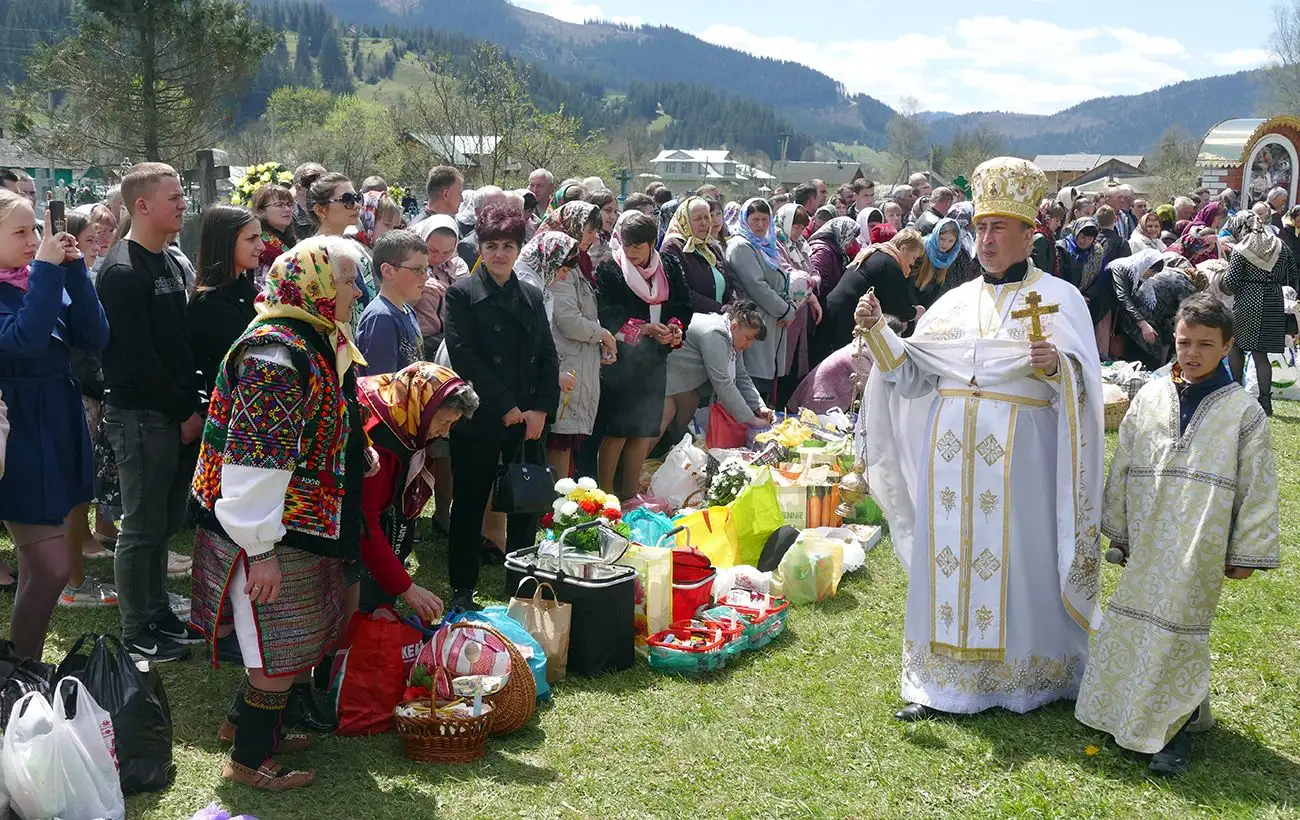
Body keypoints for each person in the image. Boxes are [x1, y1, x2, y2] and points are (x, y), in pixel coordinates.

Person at [859, 157, 1104, 721]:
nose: (986, 239)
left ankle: (1027, 677)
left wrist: (1056, 369)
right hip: (950, 460)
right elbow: (914, 373)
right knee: (950, 558)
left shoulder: (1061, 300)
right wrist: (877, 334)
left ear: (1028, 234)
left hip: (1023, 462)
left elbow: (1085, 385)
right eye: (981, 228)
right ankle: (943, 683)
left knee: (1018, 558)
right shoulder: (955, 302)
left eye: (998, 228)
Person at [190, 235, 368, 789]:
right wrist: (259, 548)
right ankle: (249, 761)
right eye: (345, 280)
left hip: (290, 519)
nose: (355, 291)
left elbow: (314, 424)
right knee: (274, 641)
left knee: (280, 636)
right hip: (266, 525)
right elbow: (253, 462)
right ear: (314, 285)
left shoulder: (308, 338)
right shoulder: (276, 354)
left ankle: (243, 727)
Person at [1076, 294, 1278, 776]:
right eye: (1184, 343)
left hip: (1199, 541)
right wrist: (1119, 530)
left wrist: (1246, 549)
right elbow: (1124, 462)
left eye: (1206, 345)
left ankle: (1174, 731)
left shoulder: (1243, 412)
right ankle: (1124, 709)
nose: (1192, 353)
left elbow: (1257, 487)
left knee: (1180, 631)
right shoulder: (1149, 395)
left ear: (1228, 345)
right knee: (1136, 623)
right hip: (1147, 532)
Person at [97, 162, 206, 662]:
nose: (183, 203)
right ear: (142, 206)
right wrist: (181, 410)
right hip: (142, 414)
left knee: (163, 523)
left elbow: (179, 343)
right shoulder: (122, 270)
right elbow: (138, 357)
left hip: (176, 409)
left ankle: (159, 612)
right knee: (140, 526)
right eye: (174, 196)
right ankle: (135, 626)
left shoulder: (170, 260)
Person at [0, 191, 109, 655]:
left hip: (55, 420)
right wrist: (46, 270)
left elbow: (94, 334)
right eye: (20, 232)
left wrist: (74, 268)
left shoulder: (34, 277)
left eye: (36, 230)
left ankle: (22, 673)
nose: (33, 241)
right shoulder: (30, 280)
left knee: (37, 568)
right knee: (50, 567)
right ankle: (21, 670)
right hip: (19, 431)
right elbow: (23, 340)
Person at [444, 204, 559, 610]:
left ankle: (523, 584)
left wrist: (542, 410)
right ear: (479, 247)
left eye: (507, 246)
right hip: (481, 416)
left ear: (518, 249)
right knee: (470, 503)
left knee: (525, 502)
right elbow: (464, 356)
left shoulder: (529, 293)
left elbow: (547, 354)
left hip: (527, 419)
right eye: (491, 245)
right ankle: (462, 588)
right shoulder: (460, 293)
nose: (498, 254)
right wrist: (506, 405)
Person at [353, 363, 478, 622]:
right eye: (443, 421)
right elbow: (365, 526)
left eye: (451, 425)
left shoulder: (407, 423)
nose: (444, 433)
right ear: (423, 405)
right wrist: (406, 588)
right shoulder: (380, 441)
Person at [595, 212, 691, 497]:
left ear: (652, 244)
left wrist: (673, 327)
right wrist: (644, 328)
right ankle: (605, 493)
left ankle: (629, 493)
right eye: (626, 245)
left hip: (655, 359)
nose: (631, 252)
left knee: (643, 430)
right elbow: (606, 314)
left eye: (638, 246)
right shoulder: (610, 270)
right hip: (621, 361)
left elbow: (683, 303)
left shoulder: (669, 266)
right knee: (618, 430)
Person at [531, 231, 613, 479]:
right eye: (586, 229)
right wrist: (602, 334)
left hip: (569, 364)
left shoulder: (571, 266)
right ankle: (550, 508)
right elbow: (568, 321)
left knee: (564, 441)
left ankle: (556, 507)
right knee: (557, 440)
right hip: (561, 364)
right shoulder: (543, 275)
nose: (590, 236)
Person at [1221, 211, 1299, 415]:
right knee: (1260, 352)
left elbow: (1230, 282)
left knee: (1236, 345)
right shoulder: (1281, 246)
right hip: (1273, 299)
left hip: (1247, 300)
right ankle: (1265, 401)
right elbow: (1292, 275)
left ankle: (1235, 394)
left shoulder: (1241, 249)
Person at [188, 205, 265, 402]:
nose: (261, 246)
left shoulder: (244, 289)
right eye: (251, 239)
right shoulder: (211, 304)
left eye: (259, 237)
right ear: (226, 243)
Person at [663, 300, 773, 436]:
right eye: (748, 338)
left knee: (688, 405)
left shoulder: (732, 335)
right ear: (734, 327)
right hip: (662, 375)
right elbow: (722, 382)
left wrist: (759, 406)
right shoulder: (715, 333)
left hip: (680, 382)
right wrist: (750, 419)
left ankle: (672, 447)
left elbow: (740, 375)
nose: (749, 345)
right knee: (660, 423)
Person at [817, 229, 925, 363]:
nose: (912, 264)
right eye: (914, 257)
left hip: (834, 307)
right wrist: (915, 312)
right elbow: (896, 307)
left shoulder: (877, 253)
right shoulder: (891, 265)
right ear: (903, 249)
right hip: (847, 315)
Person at [725, 199, 795, 398]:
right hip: (756, 320)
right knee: (753, 383)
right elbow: (757, 287)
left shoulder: (767, 247)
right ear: (745, 220)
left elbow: (782, 280)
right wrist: (786, 310)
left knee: (765, 384)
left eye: (765, 219)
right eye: (755, 219)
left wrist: (790, 305)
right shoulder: (741, 246)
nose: (760, 225)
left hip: (772, 322)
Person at [1110, 249, 1198, 369]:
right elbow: (1123, 297)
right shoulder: (1122, 268)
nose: (1152, 277)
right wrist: (1143, 324)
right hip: (1133, 319)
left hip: (1138, 317)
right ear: (1145, 265)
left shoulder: (1140, 275)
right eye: (1152, 273)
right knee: (1148, 358)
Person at [662, 196, 735, 314]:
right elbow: (681, 290)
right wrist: (718, 309)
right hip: (691, 322)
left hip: (721, 318)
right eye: (697, 219)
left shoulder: (711, 246)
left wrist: (731, 305)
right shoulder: (673, 248)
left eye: (707, 217)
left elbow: (730, 283)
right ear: (685, 221)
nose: (704, 223)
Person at [411, 215, 468, 361]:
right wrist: (417, 285)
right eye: (432, 250)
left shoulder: (457, 266)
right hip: (418, 342)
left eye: (447, 252)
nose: (438, 257)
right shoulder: (407, 265)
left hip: (447, 341)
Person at [912, 218, 967, 309]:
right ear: (936, 234)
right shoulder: (921, 248)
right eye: (942, 239)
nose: (945, 244)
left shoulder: (952, 255)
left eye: (951, 241)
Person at [251, 184, 297, 286]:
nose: (287, 209)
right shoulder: (262, 246)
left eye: (289, 204)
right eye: (279, 205)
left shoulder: (290, 239)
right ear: (261, 211)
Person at [807, 216, 862, 302]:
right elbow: (818, 287)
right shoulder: (823, 252)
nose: (851, 245)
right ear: (841, 233)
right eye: (850, 239)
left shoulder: (836, 250)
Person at [457, 186, 508, 270]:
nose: (501, 211)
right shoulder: (468, 246)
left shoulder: (512, 238)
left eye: (504, 206)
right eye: (494, 207)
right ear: (478, 212)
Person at [408, 165, 465, 232]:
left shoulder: (448, 224)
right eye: (459, 194)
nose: (462, 199)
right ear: (445, 194)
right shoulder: (418, 230)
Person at [585, 188, 619, 270]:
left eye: (615, 212)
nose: (613, 217)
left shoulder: (614, 239)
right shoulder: (584, 239)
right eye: (608, 210)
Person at [290, 163, 325, 240]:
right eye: (316, 186)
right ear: (298, 188)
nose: (324, 190)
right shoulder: (287, 219)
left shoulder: (336, 211)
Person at [1031, 201, 1065, 275]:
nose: (1059, 224)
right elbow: (1041, 272)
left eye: (1060, 221)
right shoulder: (1040, 239)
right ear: (1047, 218)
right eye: (1056, 220)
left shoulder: (1049, 236)